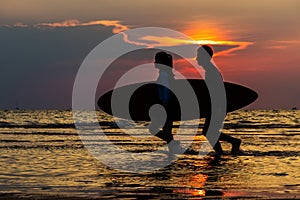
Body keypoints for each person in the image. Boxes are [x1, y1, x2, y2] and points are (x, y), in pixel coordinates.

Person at [197, 45, 242, 155]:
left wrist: (215, 108)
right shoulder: (210, 71)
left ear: (206, 56)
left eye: (199, 55)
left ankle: (233, 143)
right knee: (209, 132)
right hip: (216, 107)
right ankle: (220, 151)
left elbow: (216, 93)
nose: (197, 58)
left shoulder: (211, 72)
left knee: (208, 131)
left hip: (217, 107)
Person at [149, 51, 184, 154]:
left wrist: (165, 105)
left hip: (166, 106)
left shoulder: (164, 74)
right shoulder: (166, 73)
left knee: (153, 128)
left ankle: (173, 144)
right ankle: (173, 150)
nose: (154, 62)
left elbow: (166, 89)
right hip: (168, 106)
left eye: (157, 60)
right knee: (167, 131)